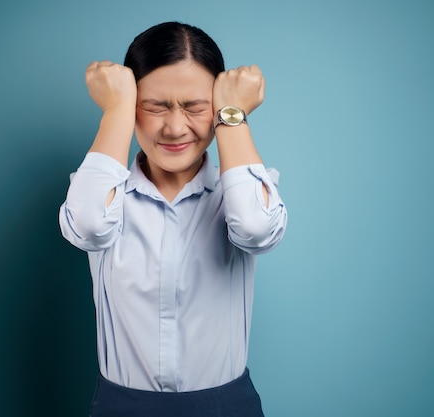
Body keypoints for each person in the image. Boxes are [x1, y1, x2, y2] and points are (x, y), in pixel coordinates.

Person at [59, 21, 287, 417]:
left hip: (224, 406)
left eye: (195, 107)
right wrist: (116, 108)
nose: (175, 127)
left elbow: (255, 228)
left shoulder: (239, 193)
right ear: (132, 106)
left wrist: (232, 115)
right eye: (154, 106)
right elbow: (90, 226)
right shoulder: (104, 194)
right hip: (122, 406)